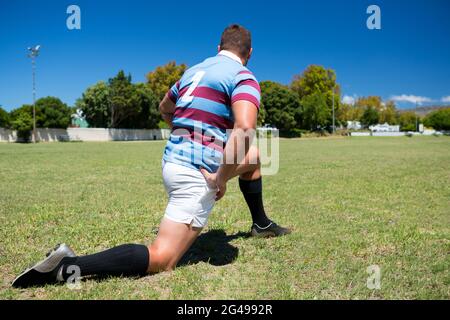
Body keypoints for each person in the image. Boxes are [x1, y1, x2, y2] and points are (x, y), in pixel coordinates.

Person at [12, 24, 290, 288]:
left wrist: (185, 133)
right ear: (249, 54)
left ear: (218, 47)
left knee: (253, 158)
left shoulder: (193, 71)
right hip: (195, 173)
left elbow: (164, 107)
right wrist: (220, 178)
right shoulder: (243, 76)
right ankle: (66, 266)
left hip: (172, 161)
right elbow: (243, 128)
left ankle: (260, 223)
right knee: (163, 258)